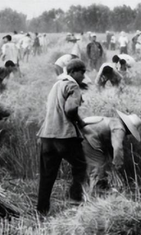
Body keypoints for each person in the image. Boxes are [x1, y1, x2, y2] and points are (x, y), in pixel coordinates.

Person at [36, 59, 88, 215]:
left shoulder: (56, 85)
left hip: (46, 135)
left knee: (47, 175)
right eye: (82, 72)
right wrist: (79, 122)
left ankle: (42, 210)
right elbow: (71, 109)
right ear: (72, 72)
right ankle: (75, 200)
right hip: (64, 135)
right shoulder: (73, 85)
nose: (84, 76)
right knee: (81, 166)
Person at [81, 111, 141, 192]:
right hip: (87, 138)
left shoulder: (114, 121)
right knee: (98, 166)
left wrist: (112, 159)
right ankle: (95, 192)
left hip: (83, 135)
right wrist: (117, 163)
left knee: (98, 165)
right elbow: (117, 147)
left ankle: (92, 190)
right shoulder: (119, 128)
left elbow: (110, 146)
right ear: (129, 128)